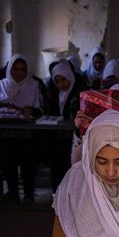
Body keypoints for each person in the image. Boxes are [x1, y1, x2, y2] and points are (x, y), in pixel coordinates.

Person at [0, 55, 44, 203]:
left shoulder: (32, 86)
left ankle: (28, 196)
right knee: (9, 164)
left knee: (28, 165)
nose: (19, 73)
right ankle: (13, 194)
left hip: (26, 133)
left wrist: (31, 110)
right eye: (15, 69)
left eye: (22, 70)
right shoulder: (1, 85)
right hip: (5, 132)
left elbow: (40, 109)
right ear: (9, 69)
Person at [45, 60, 83, 189]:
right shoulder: (53, 94)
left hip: (72, 138)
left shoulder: (79, 94)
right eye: (57, 81)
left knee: (70, 167)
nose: (61, 84)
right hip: (56, 137)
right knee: (56, 166)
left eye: (64, 79)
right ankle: (57, 194)